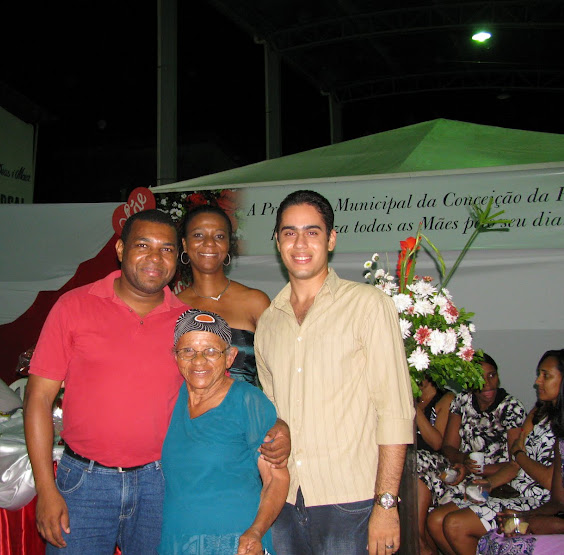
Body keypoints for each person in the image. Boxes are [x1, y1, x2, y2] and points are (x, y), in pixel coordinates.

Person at [23, 209, 290, 554]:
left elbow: (228, 389)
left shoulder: (185, 323)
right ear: (120, 249)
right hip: (84, 484)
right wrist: (46, 488)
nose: (155, 257)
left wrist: (274, 423)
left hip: (160, 484)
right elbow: (37, 400)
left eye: (166, 249)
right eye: (143, 245)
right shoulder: (73, 306)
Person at [254, 190, 415, 555]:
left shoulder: (368, 306)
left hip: (353, 502)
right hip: (285, 499)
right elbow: (272, 416)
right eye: (289, 232)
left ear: (331, 239)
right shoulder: (268, 322)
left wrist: (386, 505)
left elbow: (394, 411)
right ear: (277, 241)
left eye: (312, 232)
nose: (300, 243)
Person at [159, 309, 289, 554]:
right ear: (175, 356)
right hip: (177, 540)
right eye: (188, 351)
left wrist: (256, 532)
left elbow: (276, 478)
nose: (198, 361)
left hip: (236, 541)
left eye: (210, 351)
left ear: (230, 357)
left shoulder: (247, 400)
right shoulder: (171, 401)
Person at [424, 353, 527, 554]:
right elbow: (449, 447)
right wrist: (464, 461)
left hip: (500, 482)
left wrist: (480, 470)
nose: (488, 384)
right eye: (481, 378)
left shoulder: (511, 407)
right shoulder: (462, 401)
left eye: (492, 375)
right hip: (468, 477)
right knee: (433, 519)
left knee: (442, 520)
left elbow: (515, 462)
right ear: (470, 382)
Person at [476, 349, 564, 555]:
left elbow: (520, 456)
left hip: (540, 499)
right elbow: (558, 501)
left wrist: (531, 521)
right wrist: (523, 515)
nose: (537, 382)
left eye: (546, 376)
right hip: (537, 502)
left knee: (512, 544)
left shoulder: (511, 407)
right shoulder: (554, 427)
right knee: (496, 539)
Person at [176, 204, 270, 386]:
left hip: (246, 412)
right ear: (185, 244)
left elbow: (279, 371)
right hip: (190, 414)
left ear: (228, 245)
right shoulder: (174, 307)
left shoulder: (255, 302)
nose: (209, 243)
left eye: (219, 236)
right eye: (198, 235)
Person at [415, 378, 455, 554]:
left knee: (414, 461)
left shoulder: (445, 399)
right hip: (410, 464)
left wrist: (413, 408)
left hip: (435, 465)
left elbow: (437, 443)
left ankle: (418, 538)